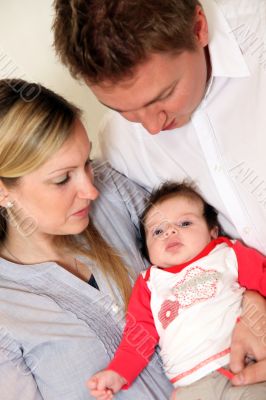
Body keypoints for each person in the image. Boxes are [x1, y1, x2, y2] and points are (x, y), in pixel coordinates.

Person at [53, 0, 266, 385]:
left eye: (162, 96)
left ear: (198, 27)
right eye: (125, 110)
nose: (150, 128)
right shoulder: (119, 143)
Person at [0, 78, 177, 400]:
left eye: (87, 163)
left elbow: (205, 257)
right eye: (62, 179)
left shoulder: (115, 197)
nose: (90, 190)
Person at [87, 182, 266, 399]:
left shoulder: (227, 254)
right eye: (158, 231)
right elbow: (138, 336)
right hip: (190, 387)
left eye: (184, 223)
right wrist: (118, 373)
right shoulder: (150, 284)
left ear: (213, 231)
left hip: (241, 364)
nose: (170, 231)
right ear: (148, 249)